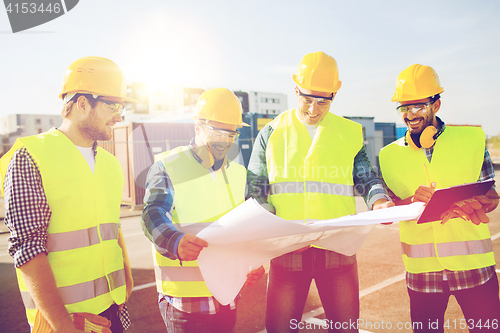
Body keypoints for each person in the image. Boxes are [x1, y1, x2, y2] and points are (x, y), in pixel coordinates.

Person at [246, 51, 394, 333]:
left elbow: (366, 177)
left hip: (337, 250)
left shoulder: (349, 132)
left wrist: (380, 200)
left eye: (323, 101)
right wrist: (271, 228)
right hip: (288, 252)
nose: (314, 109)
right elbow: (255, 193)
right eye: (307, 99)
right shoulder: (271, 132)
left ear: (335, 94)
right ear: (295, 89)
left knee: (345, 329)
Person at [0, 56, 135, 332]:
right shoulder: (31, 156)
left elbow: (111, 229)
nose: (119, 115)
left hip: (112, 312)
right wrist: (62, 325)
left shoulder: (110, 164)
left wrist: (127, 281)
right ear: (82, 103)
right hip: (64, 323)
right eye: (113, 105)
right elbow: (28, 249)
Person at [379, 64, 500, 333]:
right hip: (423, 274)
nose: (410, 115)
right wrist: (409, 203)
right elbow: (387, 210)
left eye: (418, 107)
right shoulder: (388, 156)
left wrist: (480, 202)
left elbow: (492, 194)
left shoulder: (471, 139)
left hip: (474, 267)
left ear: (437, 104)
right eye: (404, 108)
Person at [141, 88, 265, 333]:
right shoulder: (169, 166)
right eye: (218, 131)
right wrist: (174, 241)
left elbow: (242, 229)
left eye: (231, 132)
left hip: (226, 297)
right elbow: (152, 213)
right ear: (197, 127)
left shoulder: (237, 174)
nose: (225, 140)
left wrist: (252, 263)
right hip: (185, 304)